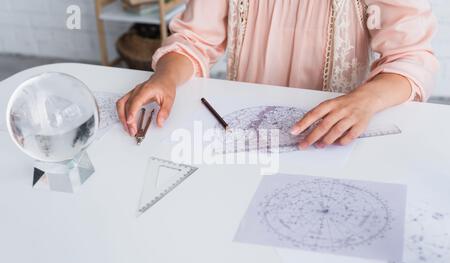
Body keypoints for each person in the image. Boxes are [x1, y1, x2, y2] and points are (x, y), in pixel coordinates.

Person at [117, 0, 438, 149]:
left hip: (331, 137)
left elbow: (411, 57)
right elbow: (195, 39)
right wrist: (166, 77)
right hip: (247, 133)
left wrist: (366, 101)